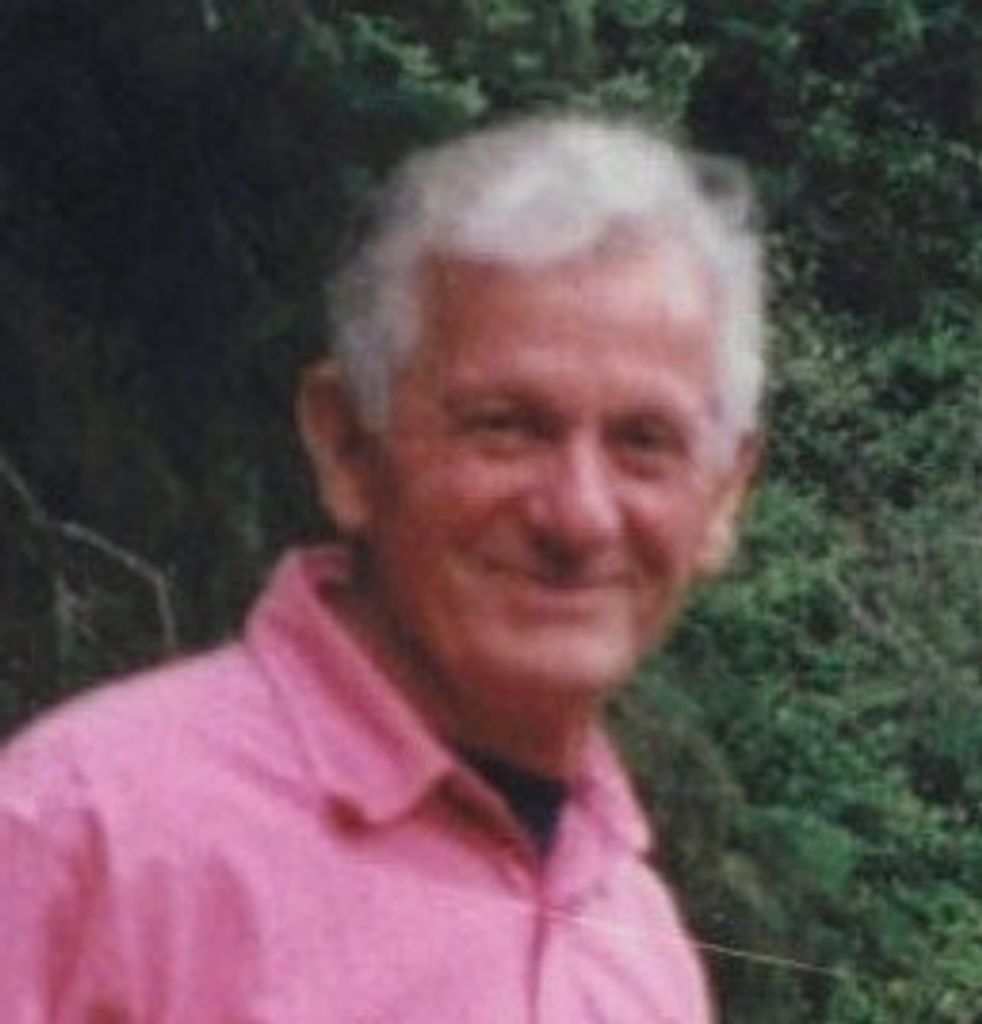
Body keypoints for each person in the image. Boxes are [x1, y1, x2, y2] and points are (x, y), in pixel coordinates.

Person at [0, 114, 764, 1023]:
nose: (579, 515)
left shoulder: (640, 944)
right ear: (346, 446)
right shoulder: (91, 837)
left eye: (645, 443)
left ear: (724, 496)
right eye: (506, 427)